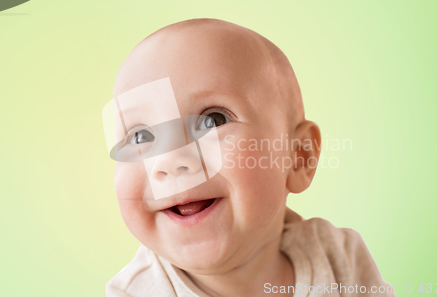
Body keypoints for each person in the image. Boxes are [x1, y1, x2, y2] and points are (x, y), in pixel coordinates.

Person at [105, 18, 394, 297]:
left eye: (213, 120)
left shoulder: (339, 259)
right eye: (141, 137)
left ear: (298, 156)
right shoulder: (133, 293)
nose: (168, 159)